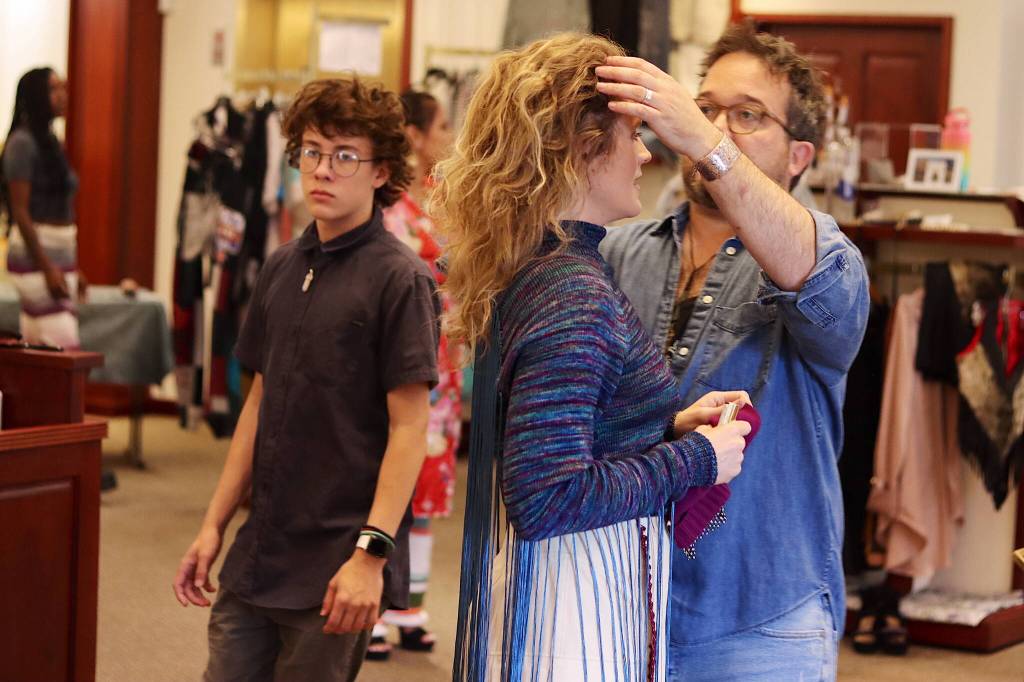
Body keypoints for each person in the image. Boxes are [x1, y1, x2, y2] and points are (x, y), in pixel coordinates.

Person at [435, 32, 751, 681]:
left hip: (564, 591)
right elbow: (548, 496)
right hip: (571, 602)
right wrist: (698, 458)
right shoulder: (571, 291)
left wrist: (665, 427)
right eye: (630, 134)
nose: (643, 153)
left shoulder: (549, 264)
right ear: (582, 148)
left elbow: (565, 435)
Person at [596, 22, 870, 680]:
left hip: (763, 619)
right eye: (706, 105)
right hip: (618, 603)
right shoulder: (618, 250)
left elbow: (815, 283)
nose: (714, 125)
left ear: (799, 155)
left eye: (747, 115)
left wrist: (704, 141)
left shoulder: (827, 257)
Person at [172, 77, 441, 682]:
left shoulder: (400, 279)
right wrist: (213, 524)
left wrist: (370, 556)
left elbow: (410, 428)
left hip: (336, 562)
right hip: (259, 552)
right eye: (313, 151)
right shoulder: (281, 266)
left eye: (345, 156)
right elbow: (257, 405)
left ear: (380, 172)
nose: (322, 170)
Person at [369, 89, 459, 658]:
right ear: (417, 134)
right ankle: (375, 601)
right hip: (395, 358)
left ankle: (410, 604)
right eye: (442, 124)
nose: (450, 134)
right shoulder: (385, 203)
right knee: (385, 475)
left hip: (441, 357)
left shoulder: (445, 196)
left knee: (427, 485)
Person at [0, 67, 82, 349]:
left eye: (63, 88)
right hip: (36, 256)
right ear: (36, 95)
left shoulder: (51, 141)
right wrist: (47, 268)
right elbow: (20, 211)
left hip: (58, 255)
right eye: (53, 89)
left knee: (41, 347)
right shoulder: (22, 143)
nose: (62, 96)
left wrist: (72, 268)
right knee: (63, 347)